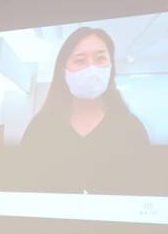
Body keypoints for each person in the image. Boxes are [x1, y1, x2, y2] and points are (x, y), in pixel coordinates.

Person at [21, 27, 150, 192]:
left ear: (111, 66)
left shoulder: (131, 128)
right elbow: (24, 187)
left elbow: (146, 188)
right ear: (63, 70)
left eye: (100, 58)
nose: (92, 69)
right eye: (80, 60)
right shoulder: (40, 129)